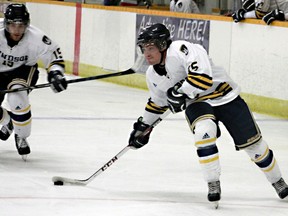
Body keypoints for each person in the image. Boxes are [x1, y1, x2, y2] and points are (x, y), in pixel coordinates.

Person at [128, 23, 288, 205]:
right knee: (204, 133)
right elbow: (158, 103)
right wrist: (143, 126)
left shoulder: (182, 49)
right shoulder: (152, 74)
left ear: (162, 45)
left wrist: (180, 91)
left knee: (255, 147)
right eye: (144, 48)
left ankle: (277, 181)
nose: (146, 53)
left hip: (224, 95)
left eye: (151, 48)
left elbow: (202, 79)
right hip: (197, 103)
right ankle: (213, 183)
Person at [0, 3, 67, 160]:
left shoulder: (36, 37)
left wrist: (56, 74)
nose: (17, 30)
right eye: (12, 25)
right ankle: (9, 121)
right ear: (5, 24)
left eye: (21, 26)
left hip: (23, 70)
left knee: (17, 98)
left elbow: (54, 56)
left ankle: (21, 135)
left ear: (27, 25)